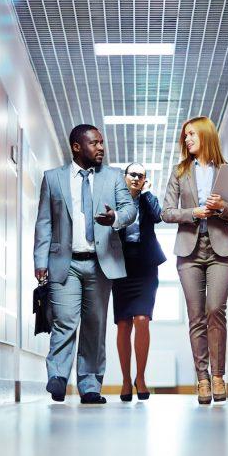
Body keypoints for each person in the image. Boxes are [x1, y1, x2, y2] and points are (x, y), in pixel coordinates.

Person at [34, 124, 137, 404]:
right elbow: (44, 222)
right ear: (77, 147)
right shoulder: (53, 179)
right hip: (64, 263)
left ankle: (90, 385)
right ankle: (57, 376)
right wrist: (40, 260)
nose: (101, 148)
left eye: (102, 142)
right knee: (64, 322)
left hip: (100, 263)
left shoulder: (114, 177)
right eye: (94, 143)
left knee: (94, 326)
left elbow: (129, 210)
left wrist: (115, 217)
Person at [162, 116, 228, 405]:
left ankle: (219, 375)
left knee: (215, 311)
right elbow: (167, 212)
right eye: (185, 136)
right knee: (196, 316)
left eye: (192, 135)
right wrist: (194, 212)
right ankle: (202, 379)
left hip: (220, 249)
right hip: (189, 251)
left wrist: (221, 207)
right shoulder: (180, 171)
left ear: (206, 136)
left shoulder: (227, 171)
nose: (187, 140)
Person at [112, 162, 167, 402]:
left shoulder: (147, 199)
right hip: (121, 266)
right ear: (124, 177)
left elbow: (158, 216)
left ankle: (141, 378)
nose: (136, 178)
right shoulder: (116, 200)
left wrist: (146, 192)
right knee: (124, 324)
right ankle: (125, 380)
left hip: (145, 267)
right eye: (132, 174)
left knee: (142, 320)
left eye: (141, 176)